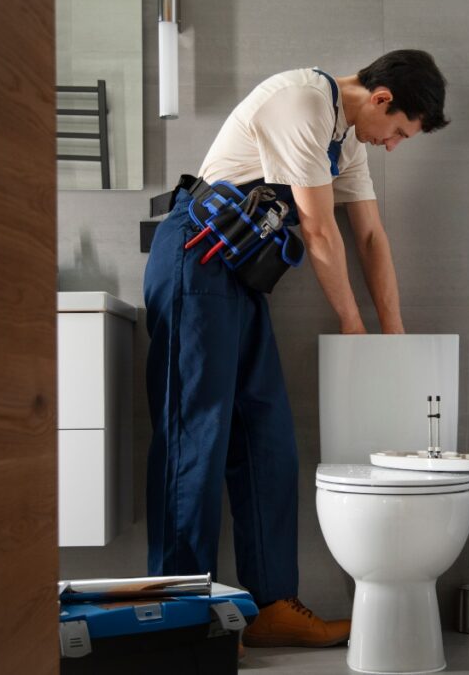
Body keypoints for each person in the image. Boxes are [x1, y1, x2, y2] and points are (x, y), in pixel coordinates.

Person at [143, 49, 450, 648]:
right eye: (400, 133)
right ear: (382, 99)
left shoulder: (347, 139)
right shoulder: (302, 103)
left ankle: (270, 605)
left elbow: (368, 234)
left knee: (269, 441)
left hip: (240, 276)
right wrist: (351, 328)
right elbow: (318, 229)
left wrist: (394, 332)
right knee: (193, 442)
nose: (393, 146)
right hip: (194, 261)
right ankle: (175, 622)